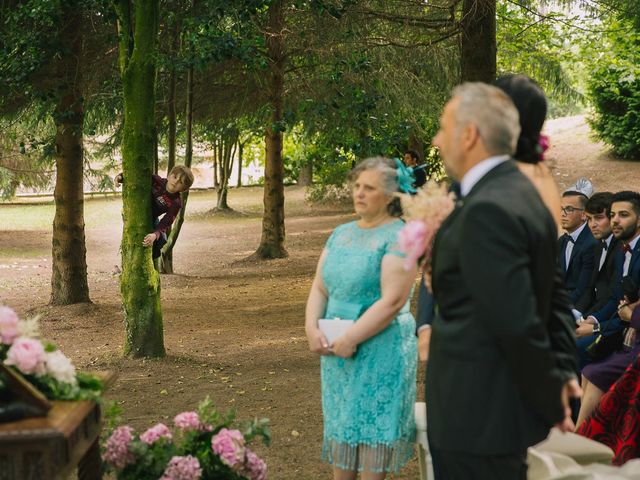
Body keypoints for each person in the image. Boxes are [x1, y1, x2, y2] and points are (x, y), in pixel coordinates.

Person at [426, 82, 579, 480]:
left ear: (469, 134)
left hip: (477, 421)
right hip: (494, 418)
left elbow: (516, 321)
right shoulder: (523, 193)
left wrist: (551, 396)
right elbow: (554, 294)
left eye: (443, 126)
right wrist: (563, 371)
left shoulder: (487, 209)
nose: (436, 138)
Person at [305, 157, 417, 480]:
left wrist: (351, 338)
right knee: (343, 429)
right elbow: (319, 286)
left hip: (379, 350)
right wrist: (312, 328)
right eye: (357, 186)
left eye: (369, 188)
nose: (359, 193)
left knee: (371, 434)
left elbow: (393, 300)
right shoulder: (340, 233)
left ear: (391, 196)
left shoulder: (400, 235)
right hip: (335, 351)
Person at [115, 165, 194, 259]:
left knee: (161, 239)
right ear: (169, 176)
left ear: (183, 188)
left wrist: (155, 234)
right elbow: (137, 176)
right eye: (175, 177)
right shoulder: (156, 180)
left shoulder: (176, 203)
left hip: (152, 217)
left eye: (180, 182)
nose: (176, 181)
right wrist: (120, 177)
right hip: (134, 212)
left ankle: (149, 259)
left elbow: (167, 221)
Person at [559, 179, 598, 304]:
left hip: (580, 307)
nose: (562, 214)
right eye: (561, 209)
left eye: (569, 209)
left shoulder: (591, 243)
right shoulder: (562, 241)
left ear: (584, 215)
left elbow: (583, 289)